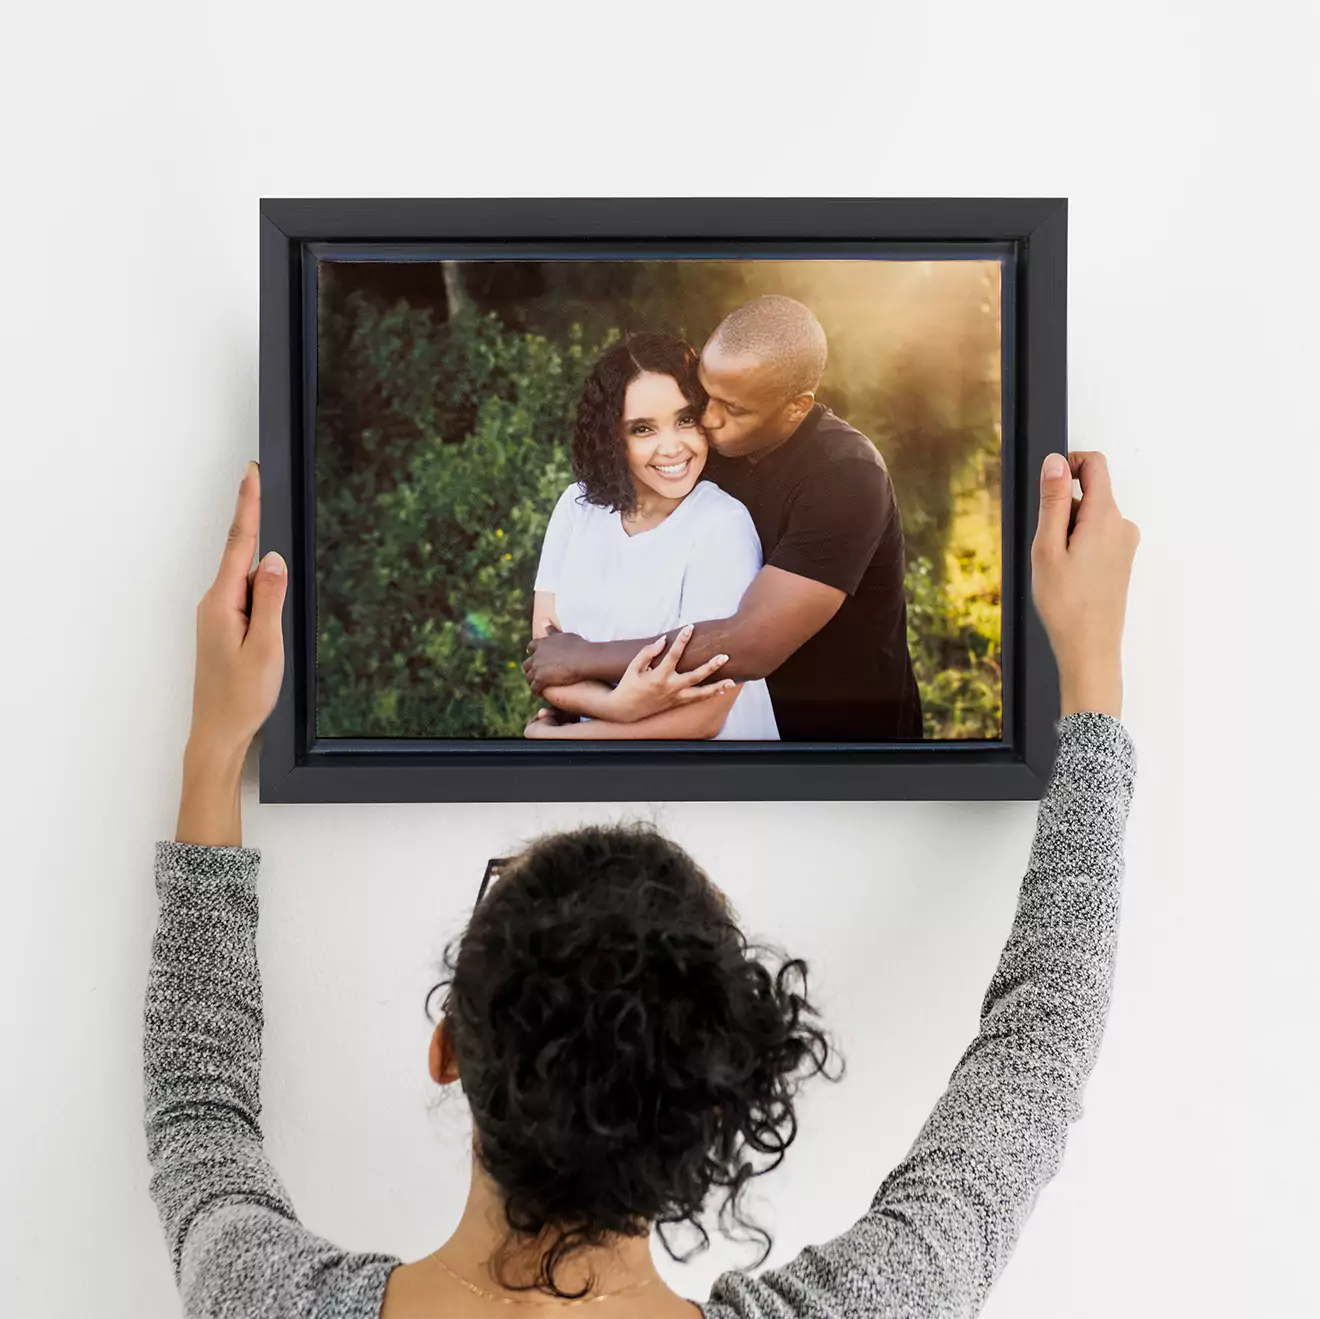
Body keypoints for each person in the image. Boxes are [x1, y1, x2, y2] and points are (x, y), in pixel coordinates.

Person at [145, 448, 1139, 1316]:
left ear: (447, 1046)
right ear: (713, 1107)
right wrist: (1090, 672)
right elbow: (1041, 1043)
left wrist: (213, 747)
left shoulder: (262, 1295)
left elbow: (197, 1105)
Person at [524, 296, 923, 742]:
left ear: (795, 407)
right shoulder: (707, 448)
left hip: (850, 737)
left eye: (731, 408)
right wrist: (604, 703)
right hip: (741, 721)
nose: (708, 421)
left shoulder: (845, 475)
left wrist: (581, 658)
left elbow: (750, 644)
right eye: (703, 398)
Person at [523, 331, 778, 742]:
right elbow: (546, 662)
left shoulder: (722, 524)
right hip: (607, 775)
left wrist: (558, 740)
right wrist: (618, 707)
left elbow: (706, 719)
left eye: (685, 419)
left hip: (715, 780)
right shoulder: (576, 507)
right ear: (612, 439)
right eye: (643, 429)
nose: (672, 447)